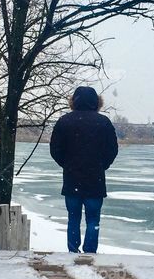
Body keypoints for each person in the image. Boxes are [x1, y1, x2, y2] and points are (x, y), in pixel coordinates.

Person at [49, 86, 119, 253]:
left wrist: (67, 164)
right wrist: (102, 165)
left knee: (73, 218)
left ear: (73, 101)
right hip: (95, 179)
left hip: (72, 178)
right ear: (97, 102)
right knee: (93, 220)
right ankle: (90, 253)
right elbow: (112, 150)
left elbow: (55, 149)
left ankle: (73, 251)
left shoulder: (64, 121)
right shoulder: (104, 123)